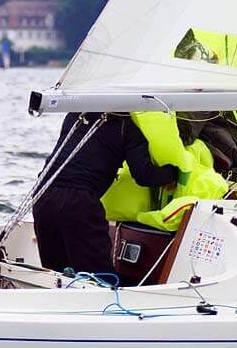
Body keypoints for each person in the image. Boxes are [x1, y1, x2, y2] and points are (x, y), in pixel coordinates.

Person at [32, 112, 179, 276]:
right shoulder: (126, 128)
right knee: (100, 276)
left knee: (54, 274)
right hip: (79, 201)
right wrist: (172, 173)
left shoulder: (74, 116)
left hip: (42, 194)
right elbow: (144, 175)